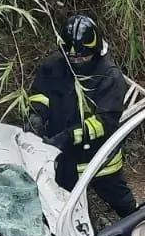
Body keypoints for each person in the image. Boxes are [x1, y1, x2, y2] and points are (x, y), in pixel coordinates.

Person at [27, 14, 137, 218]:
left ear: (94, 50)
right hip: (63, 158)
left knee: (121, 201)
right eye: (72, 57)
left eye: (81, 56)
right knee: (64, 208)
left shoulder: (109, 77)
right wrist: (37, 115)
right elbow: (41, 94)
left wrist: (68, 137)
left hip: (100, 159)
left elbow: (105, 122)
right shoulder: (54, 66)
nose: (76, 60)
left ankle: (139, 226)